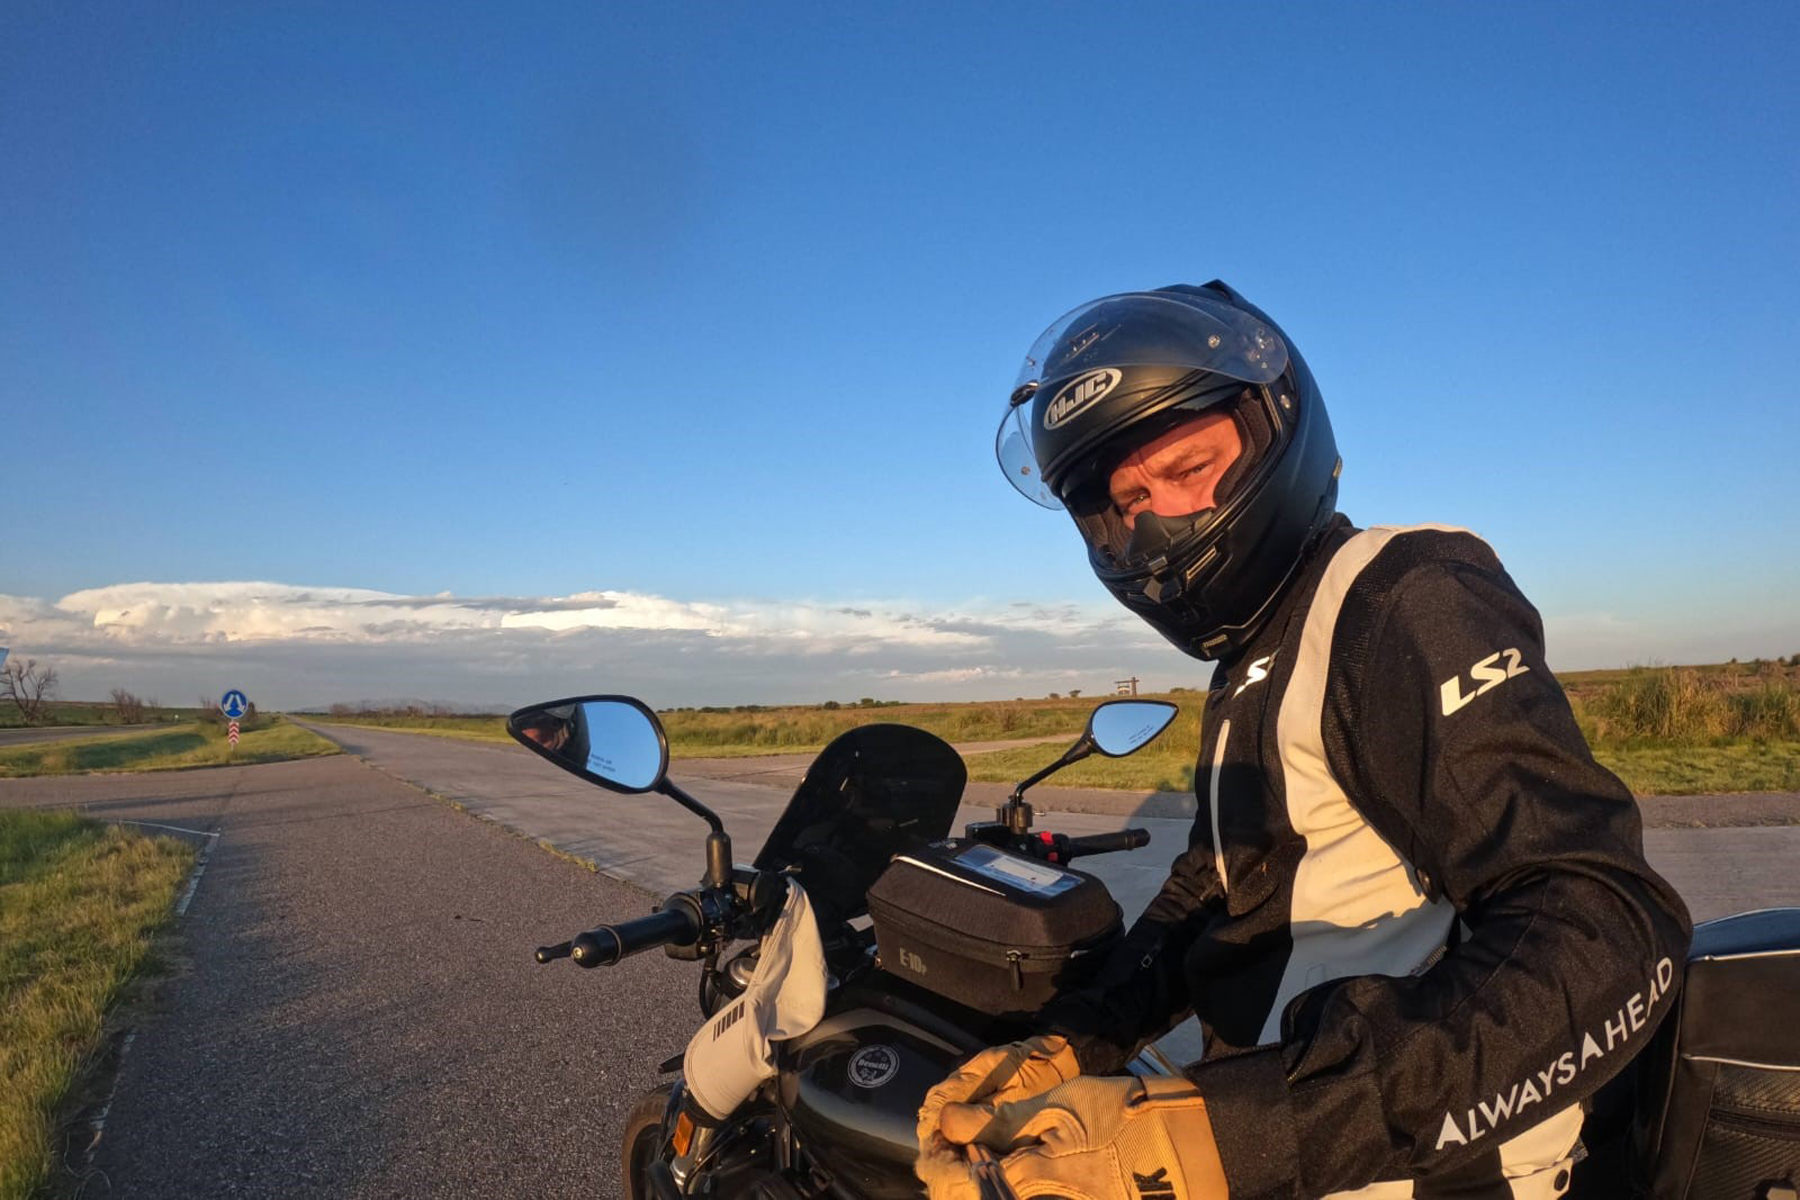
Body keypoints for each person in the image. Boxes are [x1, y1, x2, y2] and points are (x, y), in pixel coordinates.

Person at [915, 282, 1692, 1199]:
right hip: (1281, 1137)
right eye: (1126, 502)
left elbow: (1607, 923)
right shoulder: (1253, 655)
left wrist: (1229, 1138)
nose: (1158, 520)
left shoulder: (1399, 596)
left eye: (1190, 466)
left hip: (1418, 1171)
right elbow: (1217, 891)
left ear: (1276, 429)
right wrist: (1069, 1042)